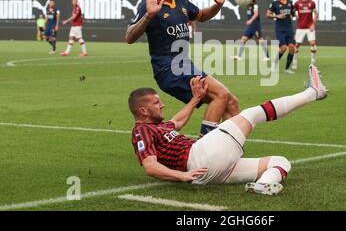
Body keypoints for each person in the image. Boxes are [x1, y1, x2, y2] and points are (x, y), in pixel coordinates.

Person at [130, 64, 327, 195]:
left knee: (280, 162)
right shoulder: (141, 130)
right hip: (198, 158)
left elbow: (178, 122)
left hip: (209, 171)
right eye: (156, 103)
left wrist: (196, 98)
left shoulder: (159, 126)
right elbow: (149, 166)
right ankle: (312, 93)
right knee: (250, 114)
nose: (162, 105)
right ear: (143, 110)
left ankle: (264, 185)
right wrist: (181, 176)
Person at [125, 0, 239, 137]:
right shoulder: (149, 6)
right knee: (222, 94)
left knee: (231, 102)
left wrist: (218, 5)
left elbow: (201, 16)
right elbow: (129, 37)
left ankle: (232, 149)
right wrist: (148, 16)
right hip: (169, 70)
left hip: (185, 66)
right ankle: (206, 149)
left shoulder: (181, 2)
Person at [266, 0, 296, 74]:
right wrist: (277, 16)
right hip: (280, 28)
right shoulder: (275, 3)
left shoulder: (290, 2)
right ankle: (274, 65)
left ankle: (287, 69)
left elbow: (293, 13)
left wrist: (293, 15)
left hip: (289, 28)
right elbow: (268, 14)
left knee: (292, 48)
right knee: (283, 48)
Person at [293, 0, 319, 67]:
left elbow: (316, 14)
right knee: (297, 45)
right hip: (300, 27)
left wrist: (313, 24)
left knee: (313, 43)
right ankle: (295, 61)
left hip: (309, 27)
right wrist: (296, 15)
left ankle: (313, 61)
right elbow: (292, 11)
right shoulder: (297, 3)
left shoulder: (312, 3)